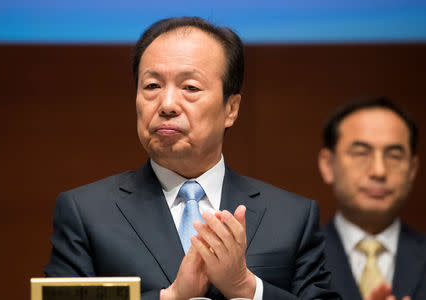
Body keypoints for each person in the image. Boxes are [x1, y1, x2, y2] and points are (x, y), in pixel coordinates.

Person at [45, 17, 338, 300]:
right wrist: (168, 298)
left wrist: (247, 288)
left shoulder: (291, 218)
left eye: (190, 88)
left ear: (231, 109)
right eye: (152, 86)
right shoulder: (87, 213)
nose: (167, 104)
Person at [318, 97, 426, 300]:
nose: (379, 170)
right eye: (361, 153)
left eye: (394, 155)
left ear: (412, 169)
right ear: (327, 165)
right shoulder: (297, 260)